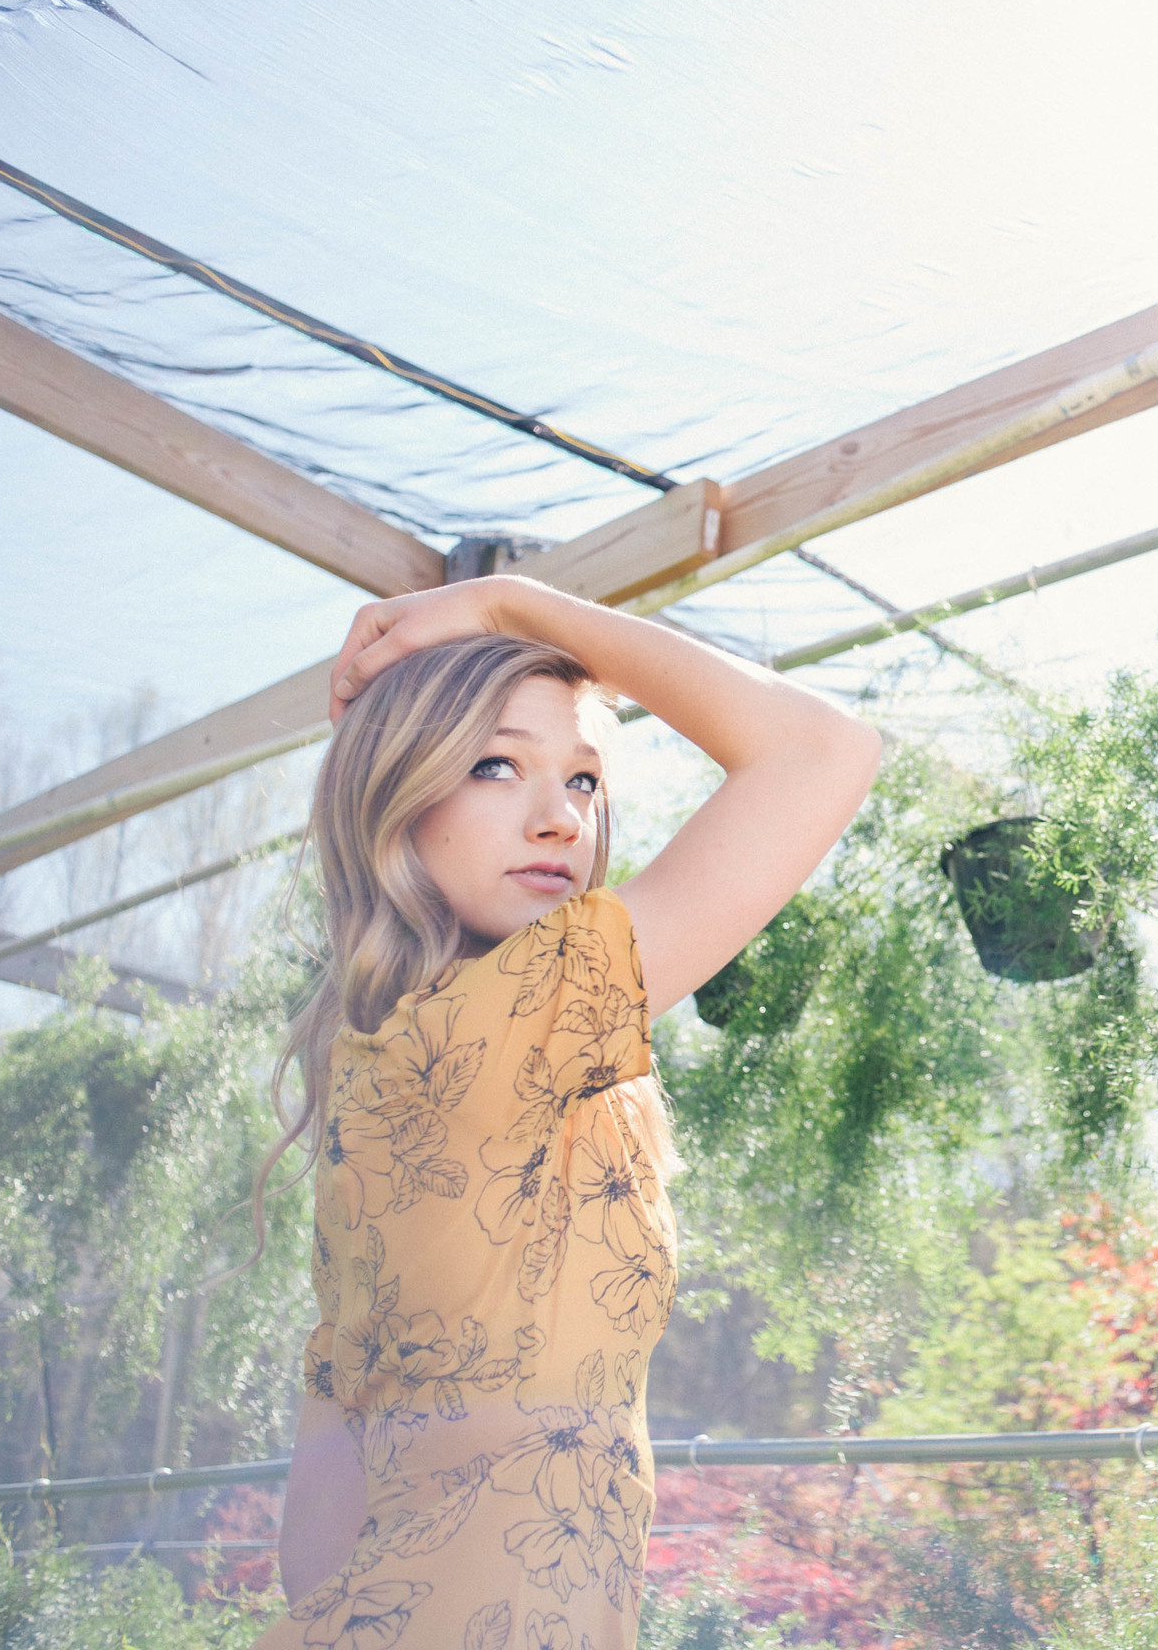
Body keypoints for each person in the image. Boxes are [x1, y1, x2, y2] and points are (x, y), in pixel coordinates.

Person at [248, 574, 881, 1650]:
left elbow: (316, 1526)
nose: (559, 818)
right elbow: (822, 751)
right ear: (397, 794)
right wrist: (507, 603)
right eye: (496, 764)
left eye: (584, 779)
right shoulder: (510, 1014)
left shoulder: (384, 1055)